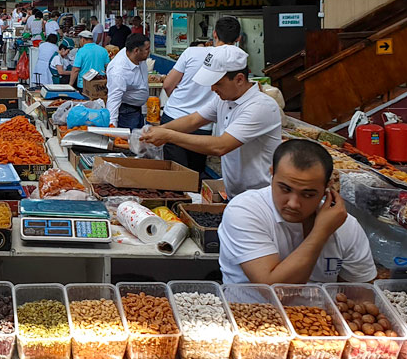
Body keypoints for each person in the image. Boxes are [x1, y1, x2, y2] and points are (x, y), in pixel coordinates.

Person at [218, 140, 375, 285]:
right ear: (272, 174)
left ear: (328, 187)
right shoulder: (244, 210)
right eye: (285, 189)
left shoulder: (346, 225)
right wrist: (321, 232)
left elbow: (360, 294)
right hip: (250, 310)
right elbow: (274, 289)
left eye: (308, 194)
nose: (293, 204)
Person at [141, 45, 281, 199]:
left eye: (218, 83)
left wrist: (168, 136)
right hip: (235, 194)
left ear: (239, 79)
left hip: (260, 196)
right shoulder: (223, 99)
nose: (213, 89)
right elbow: (193, 120)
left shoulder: (259, 107)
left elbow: (221, 146)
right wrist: (159, 130)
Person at [161, 16, 241, 174]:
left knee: (175, 176)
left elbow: (168, 84)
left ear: (215, 34)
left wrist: (181, 102)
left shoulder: (192, 52)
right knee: (194, 174)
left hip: (175, 116)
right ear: (239, 38)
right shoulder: (237, 62)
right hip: (203, 125)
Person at [104, 33, 151, 129]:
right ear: (136, 51)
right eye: (147, 49)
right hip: (126, 112)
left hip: (138, 109)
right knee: (129, 140)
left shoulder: (138, 57)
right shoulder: (119, 71)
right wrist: (112, 127)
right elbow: (113, 99)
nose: (149, 52)